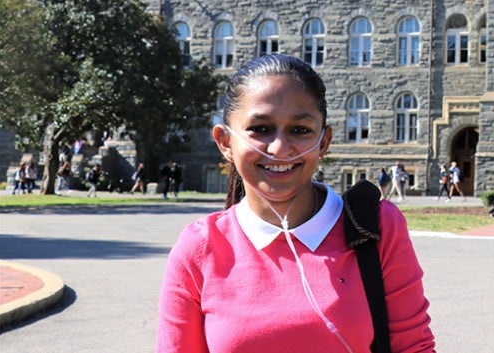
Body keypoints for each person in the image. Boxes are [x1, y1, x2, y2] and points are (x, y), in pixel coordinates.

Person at [156, 54, 435, 353]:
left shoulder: (377, 228)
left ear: (324, 142)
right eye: (260, 128)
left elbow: (413, 348)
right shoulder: (199, 247)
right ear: (225, 142)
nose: (279, 148)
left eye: (300, 130)